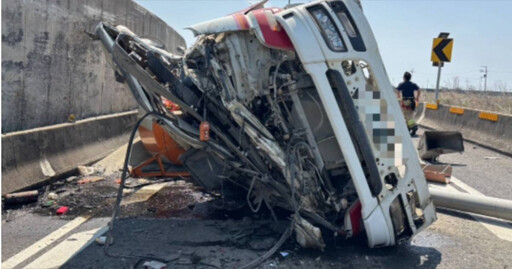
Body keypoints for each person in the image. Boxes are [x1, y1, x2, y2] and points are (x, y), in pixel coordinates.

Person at [396, 72, 420, 136]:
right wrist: (417, 97)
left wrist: (398, 96)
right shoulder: (413, 84)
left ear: (404, 77)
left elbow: (398, 91)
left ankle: (413, 126)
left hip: (406, 101)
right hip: (412, 101)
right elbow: (419, 90)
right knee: (409, 115)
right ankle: (408, 128)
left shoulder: (402, 84)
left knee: (407, 116)